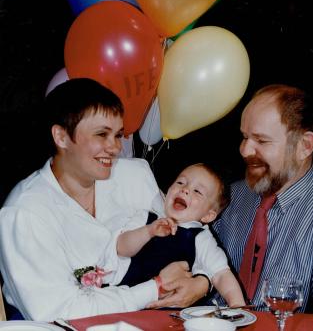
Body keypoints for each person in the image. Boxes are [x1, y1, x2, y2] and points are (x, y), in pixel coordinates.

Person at [0, 78, 209, 321]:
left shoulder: (135, 175)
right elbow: (59, 312)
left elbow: (186, 231)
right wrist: (155, 287)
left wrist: (203, 281)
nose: (115, 147)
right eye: (102, 134)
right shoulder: (24, 212)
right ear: (61, 137)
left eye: (118, 135)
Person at [212, 83, 313, 314]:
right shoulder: (230, 197)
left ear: (305, 146)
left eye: (261, 141)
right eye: (244, 137)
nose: (245, 150)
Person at [116, 163, 246, 308]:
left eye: (197, 191)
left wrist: (237, 305)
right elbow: (121, 248)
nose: (185, 190)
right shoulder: (146, 218)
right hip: (128, 302)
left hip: (169, 315)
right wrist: (148, 231)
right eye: (180, 182)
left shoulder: (201, 238)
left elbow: (221, 274)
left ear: (208, 216)